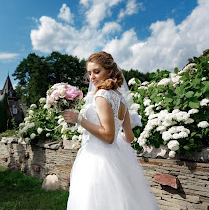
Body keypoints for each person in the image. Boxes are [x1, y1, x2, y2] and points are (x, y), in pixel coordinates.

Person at [63, 51, 159, 210]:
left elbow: (107, 136)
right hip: (117, 157)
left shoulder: (101, 96)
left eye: (96, 71)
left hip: (97, 160)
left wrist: (79, 120)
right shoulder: (121, 99)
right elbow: (129, 137)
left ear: (109, 71)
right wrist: (117, 143)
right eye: (89, 73)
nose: (92, 77)